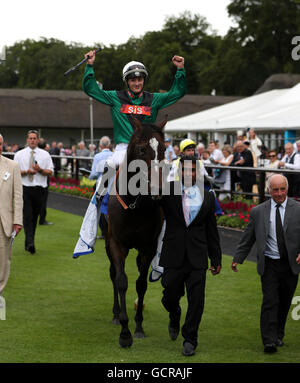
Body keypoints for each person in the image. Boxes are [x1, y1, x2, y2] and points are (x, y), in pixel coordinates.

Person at [82, 50, 186, 174]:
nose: (137, 83)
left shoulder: (155, 99)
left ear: (144, 80)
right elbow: (91, 89)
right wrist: (89, 66)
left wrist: (180, 69)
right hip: (123, 149)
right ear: (126, 81)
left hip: (146, 150)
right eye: (133, 80)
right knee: (107, 173)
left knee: (162, 178)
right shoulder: (115, 97)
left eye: (140, 79)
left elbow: (177, 92)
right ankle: (99, 193)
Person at [159, 155, 222, 356]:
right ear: (179, 172)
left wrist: (216, 258)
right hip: (173, 254)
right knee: (169, 295)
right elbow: (148, 206)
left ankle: (190, 339)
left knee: (197, 300)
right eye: (185, 170)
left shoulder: (209, 196)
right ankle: (174, 312)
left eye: (193, 170)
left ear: (198, 172)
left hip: (197, 256)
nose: (189, 173)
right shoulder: (166, 191)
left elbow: (212, 230)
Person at [232, 174, 300, 353]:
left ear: (287, 189)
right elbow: (248, 237)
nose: (279, 193)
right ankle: (269, 340)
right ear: (269, 190)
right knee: (270, 301)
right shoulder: (258, 211)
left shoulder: (298, 209)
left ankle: (278, 333)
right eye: (275, 190)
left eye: (282, 189)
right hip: (269, 263)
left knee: (285, 301)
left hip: (290, 264)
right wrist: (238, 258)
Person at [14, 130, 54, 254]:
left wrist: (40, 169)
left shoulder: (45, 155)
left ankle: (29, 242)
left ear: (38, 140)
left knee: (35, 217)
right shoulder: (19, 154)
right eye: (30, 138)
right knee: (27, 216)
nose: (32, 140)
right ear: (27, 140)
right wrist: (26, 172)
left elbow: (50, 172)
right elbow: (14, 172)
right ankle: (30, 243)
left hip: (39, 189)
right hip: (25, 188)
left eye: (34, 138)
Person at [0, 134, 23, 297]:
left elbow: (18, 196)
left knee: (3, 259)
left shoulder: (12, 166)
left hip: (4, 221)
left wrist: (18, 221)